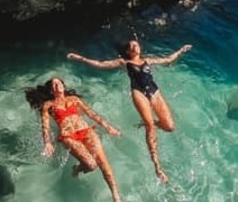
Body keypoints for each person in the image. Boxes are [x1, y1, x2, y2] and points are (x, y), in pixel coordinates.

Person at [67, 40, 192, 183]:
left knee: (170, 126)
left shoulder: (148, 60)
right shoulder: (124, 63)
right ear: (128, 51)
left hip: (154, 91)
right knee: (150, 126)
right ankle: (157, 166)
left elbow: (168, 59)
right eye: (131, 45)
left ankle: (149, 123)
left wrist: (181, 50)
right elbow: (100, 64)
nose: (134, 46)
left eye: (136, 44)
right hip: (138, 93)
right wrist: (80, 58)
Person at [24, 77, 125, 202]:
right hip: (68, 137)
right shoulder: (49, 105)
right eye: (53, 84)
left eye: (58, 83)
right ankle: (77, 168)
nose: (56, 85)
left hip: (87, 132)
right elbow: (45, 125)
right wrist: (47, 142)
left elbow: (92, 114)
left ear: (63, 86)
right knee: (91, 165)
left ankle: (116, 197)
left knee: (104, 164)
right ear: (51, 90)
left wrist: (108, 127)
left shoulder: (74, 100)